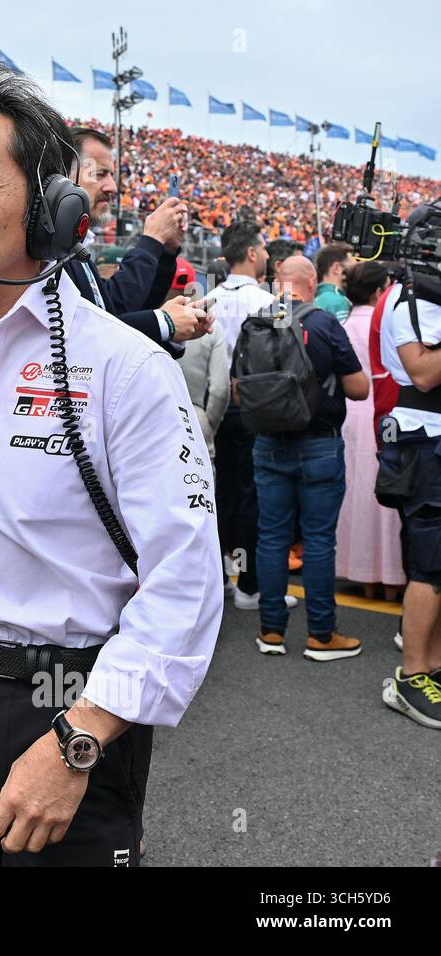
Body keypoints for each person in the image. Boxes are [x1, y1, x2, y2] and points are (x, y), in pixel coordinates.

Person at [0, 62, 221, 866]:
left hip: (74, 706)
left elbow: (187, 579)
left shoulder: (126, 368)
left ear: (48, 210)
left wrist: (80, 740)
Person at [251, 256, 368, 658]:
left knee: (271, 537)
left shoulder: (256, 322)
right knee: (318, 540)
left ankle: (271, 631)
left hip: (267, 442)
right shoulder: (321, 323)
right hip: (318, 442)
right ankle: (321, 634)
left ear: (278, 281)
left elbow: (238, 390)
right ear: (313, 282)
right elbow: (359, 389)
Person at [206, 219, 297, 612]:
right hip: (253, 406)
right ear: (253, 253)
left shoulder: (208, 298)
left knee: (224, 491)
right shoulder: (265, 301)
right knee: (251, 496)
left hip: (217, 405)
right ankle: (247, 585)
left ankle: (228, 573)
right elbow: (286, 356)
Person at [374, 204, 441, 728]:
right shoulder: (408, 296)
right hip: (424, 440)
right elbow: (421, 371)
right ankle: (411, 672)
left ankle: (433, 665)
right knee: (429, 562)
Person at [66, 126, 206, 356]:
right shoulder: (49, 253)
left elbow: (121, 307)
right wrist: (152, 240)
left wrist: (166, 252)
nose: (112, 187)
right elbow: (104, 324)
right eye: (100, 174)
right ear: (62, 178)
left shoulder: (74, 247)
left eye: (111, 175)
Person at [336, 261, 404, 598]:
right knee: (388, 496)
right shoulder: (388, 323)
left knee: (355, 495)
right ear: (379, 291)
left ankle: (363, 575)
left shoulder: (342, 325)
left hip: (349, 415)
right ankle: (392, 578)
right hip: (384, 410)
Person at [174, 261, 229, 460]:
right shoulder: (207, 326)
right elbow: (220, 389)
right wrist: (208, 422)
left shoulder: (140, 321)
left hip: (150, 420)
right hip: (195, 416)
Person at [313, 242, 354, 323]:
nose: (355, 272)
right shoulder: (340, 302)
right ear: (337, 268)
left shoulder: (312, 298)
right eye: (352, 267)